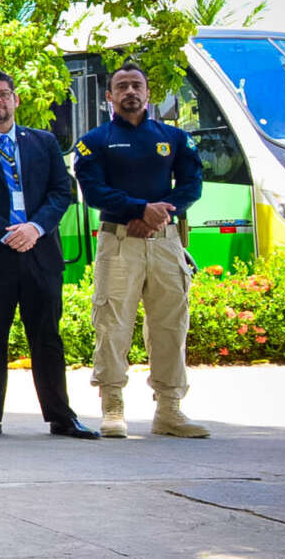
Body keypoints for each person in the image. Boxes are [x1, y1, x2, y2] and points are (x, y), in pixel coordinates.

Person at [0, 72, 99, 441]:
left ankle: (61, 417)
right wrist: (5, 231)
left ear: (16, 100)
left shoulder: (44, 142)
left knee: (47, 336)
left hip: (39, 252)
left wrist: (35, 228)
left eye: (3, 94)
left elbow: (61, 192)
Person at [74, 61, 207, 438]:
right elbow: (94, 192)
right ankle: (112, 407)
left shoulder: (175, 138)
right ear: (109, 97)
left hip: (166, 243)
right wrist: (138, 209)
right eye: (123, 86)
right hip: (118, 242)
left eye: (137, 85)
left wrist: (156, 215)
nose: (130, 92)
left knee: (170, 325)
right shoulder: (94, 141)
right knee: (112, 323)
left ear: (148, 94)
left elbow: (192, 186)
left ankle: (169, 410)